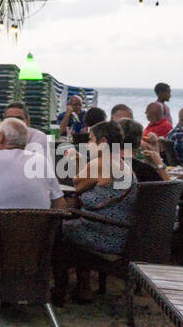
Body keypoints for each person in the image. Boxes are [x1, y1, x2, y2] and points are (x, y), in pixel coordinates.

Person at [54, 120, 138, 303]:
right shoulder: (124, 164)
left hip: (104, 235)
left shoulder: (101, 163)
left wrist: (77, 159)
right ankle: (83, 286)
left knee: (58, 230)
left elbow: (77, 185)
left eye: (91, 140)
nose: (88, 144)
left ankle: (60, 290)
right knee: (77, 224)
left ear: (104, 142)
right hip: (122, 234)